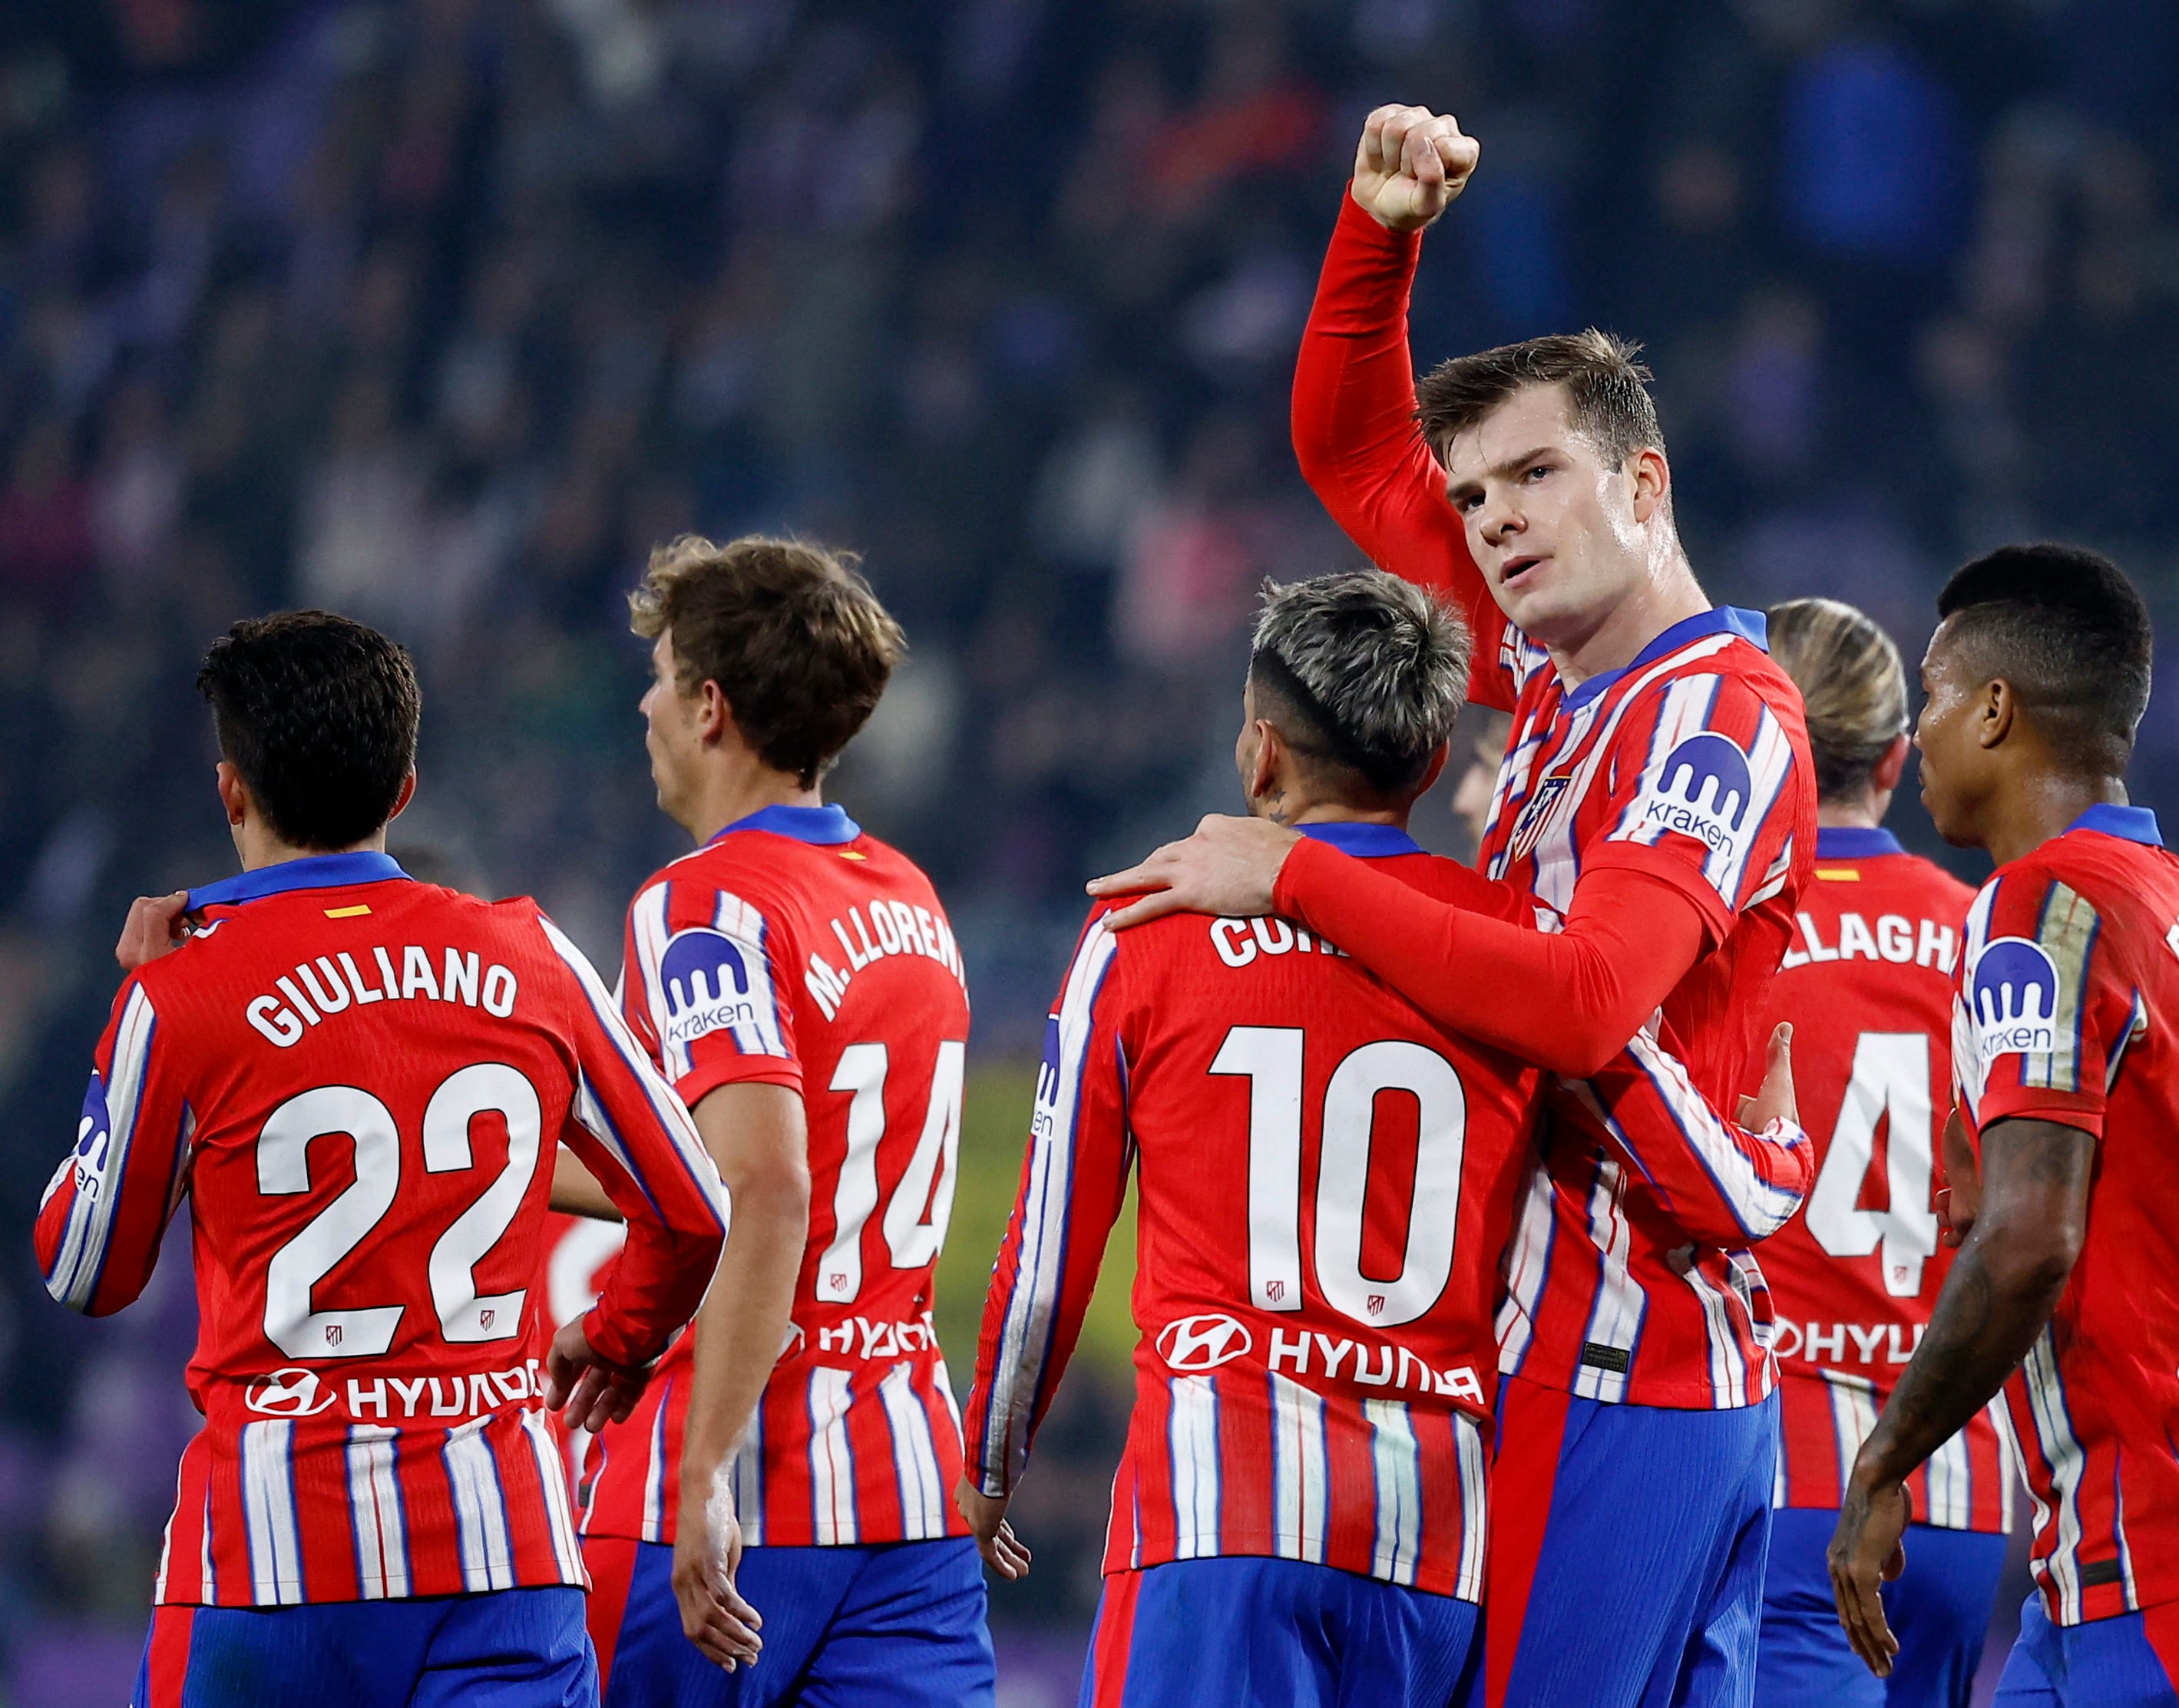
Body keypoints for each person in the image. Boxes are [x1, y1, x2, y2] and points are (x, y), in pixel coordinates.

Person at [1090, 106, 1820, 1707]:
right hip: (1632, 1352)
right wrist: (1378, 239)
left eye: (1536, 476)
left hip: (1616, 1357)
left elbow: (1585, 1004)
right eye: (1478, 493)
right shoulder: (1559, 676)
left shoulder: (1710, 716)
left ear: (1644, 483)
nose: (1492, 520)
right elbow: (1355, 457)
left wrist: (1293, 872)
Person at [35, 611, 730, 1707]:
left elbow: (87, 1269)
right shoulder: (535, 957)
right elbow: (694, 1205)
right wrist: (619, 1337)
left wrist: (130, 1041)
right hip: (504, 1556)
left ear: (232, 793)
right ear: (404, 791)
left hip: (271, 1570)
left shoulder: (181, 996)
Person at [1828, 546, 2179, 1706]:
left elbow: (2030, 1238)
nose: (1917, 732)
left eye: (1933, 694)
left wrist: (1882, 1460)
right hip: (2121, 1545)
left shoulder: (2042, 904)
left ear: (1996, 711)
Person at [571, 536, 994, 1706]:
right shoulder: (912, 898)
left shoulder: (701, 906)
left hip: (736, 1489)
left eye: (659, 676)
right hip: (905, 1492)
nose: (645, 705)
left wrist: (704, 1465)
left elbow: (761, 1184)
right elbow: (713, 1166)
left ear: (710, 706)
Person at [1752, 599, 2012, 1707]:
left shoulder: (1719, 935)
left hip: (1793, 1478)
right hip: (1961, 1491)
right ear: (1899, 759)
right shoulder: (1995, 939)